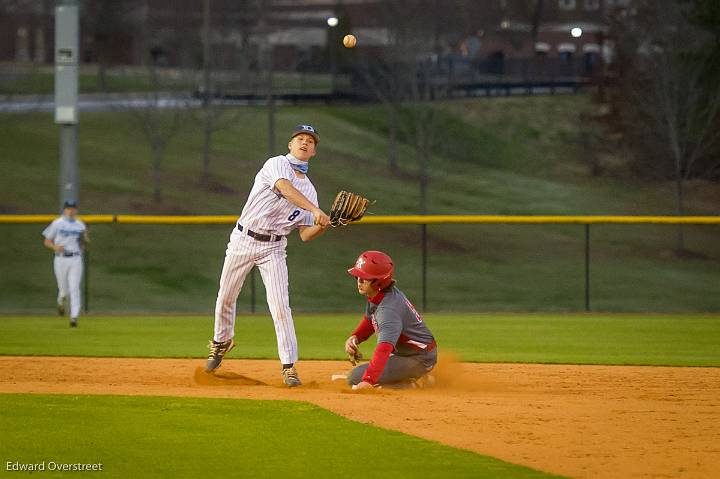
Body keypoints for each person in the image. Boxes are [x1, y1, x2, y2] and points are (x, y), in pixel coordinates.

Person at [206, 124, 330, 387]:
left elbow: (305, 235)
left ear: (315, 152)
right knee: (226, 296)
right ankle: (221, 341)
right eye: (299, 138)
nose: (304, 143)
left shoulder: (311, 191)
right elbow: (284, 188)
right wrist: (315, 210)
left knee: (280, 306)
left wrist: (325, 223)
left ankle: (289, 366)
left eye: (310, 141)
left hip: (273, 247)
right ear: (290, 144)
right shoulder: (277, 164)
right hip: (243, 238)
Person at [344, 251, 437, 389]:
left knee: (356, 378)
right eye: (358, 276)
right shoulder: (379, 295)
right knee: (359, 375)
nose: (359, 280)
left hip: (418, 358)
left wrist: (368, 381)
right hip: (409, 353)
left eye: (364, 277)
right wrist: (356, 337)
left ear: (379, 281)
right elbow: (370, 319)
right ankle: (412, 378)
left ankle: (413, 384)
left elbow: (384, 349)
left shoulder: (389, 310)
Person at [42, 200, 88, 328]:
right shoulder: (57, 223)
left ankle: (74, 318)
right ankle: (61, 302)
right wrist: (55, 247)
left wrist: (84, 243)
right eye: (68, 208)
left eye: (73, 208)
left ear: (76, 210)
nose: (71, 210)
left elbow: (83, 242)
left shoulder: (80, 225)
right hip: (60, 258)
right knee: (63, 290)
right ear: (64, 210)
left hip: (75, 259)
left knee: (74, 288)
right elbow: (46, 241)